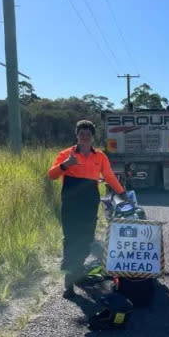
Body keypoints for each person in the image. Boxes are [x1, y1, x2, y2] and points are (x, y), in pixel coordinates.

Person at [48, 119, 127, 297]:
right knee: (70, 238)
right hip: (71, 202)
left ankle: (77, 268)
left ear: (92, 137)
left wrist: (121, 192)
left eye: (87, 134)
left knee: (86, 238)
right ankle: (68, 283)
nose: (84, 137)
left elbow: (108, 175)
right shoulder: (66, 154)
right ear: (77, 135)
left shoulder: (100, 156)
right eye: (81, 134)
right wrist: (65, 165)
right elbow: (52, 175)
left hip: (90, 202)